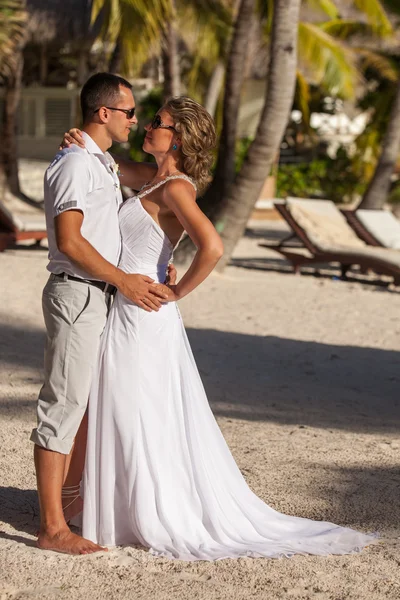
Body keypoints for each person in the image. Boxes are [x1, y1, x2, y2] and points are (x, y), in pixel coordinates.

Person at [63, 97, 376, 561]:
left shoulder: (175, 189)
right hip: (126, 310)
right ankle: (116, 505)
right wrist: (82, 142)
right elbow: (105, 165)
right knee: (125, 408)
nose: (148, 126)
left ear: (180, 137)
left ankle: (144, 510)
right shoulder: (151, 178)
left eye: (158, 123)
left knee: (136, 408)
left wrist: (178, 290)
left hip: (145, 313)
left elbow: (211, 246)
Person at [30, 72, 174, 556]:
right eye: (131, 112)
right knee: (64, 407)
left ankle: (67, 505)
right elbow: (69, 241)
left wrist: (154, 258)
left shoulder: (102, 164)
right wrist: (124, 280)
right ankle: (52, 529)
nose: (136, 120)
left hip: (100, 295)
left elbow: (162, 178)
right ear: (104, 113)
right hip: (79, 293)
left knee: (88, 405)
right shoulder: (76, 163)